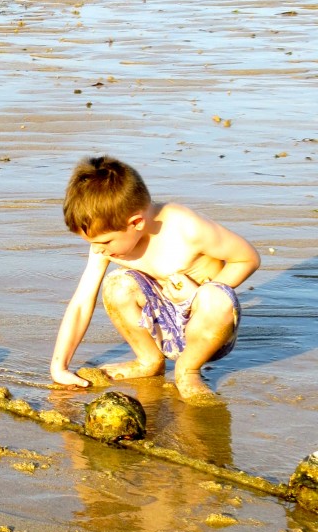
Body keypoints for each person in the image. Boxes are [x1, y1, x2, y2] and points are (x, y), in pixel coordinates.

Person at [50, 155, 260, 402]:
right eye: (93, 244)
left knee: (217, 297)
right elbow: (81, 302)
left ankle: (188, 369)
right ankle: (148, 360)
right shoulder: (107, 242)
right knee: (118, 285)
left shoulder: (185, 227)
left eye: (104, 242)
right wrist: (59, 366)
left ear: (136, 222)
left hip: (206, 330)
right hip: (162, 322)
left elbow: (248, 258)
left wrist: (197, 296)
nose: (98, 250)